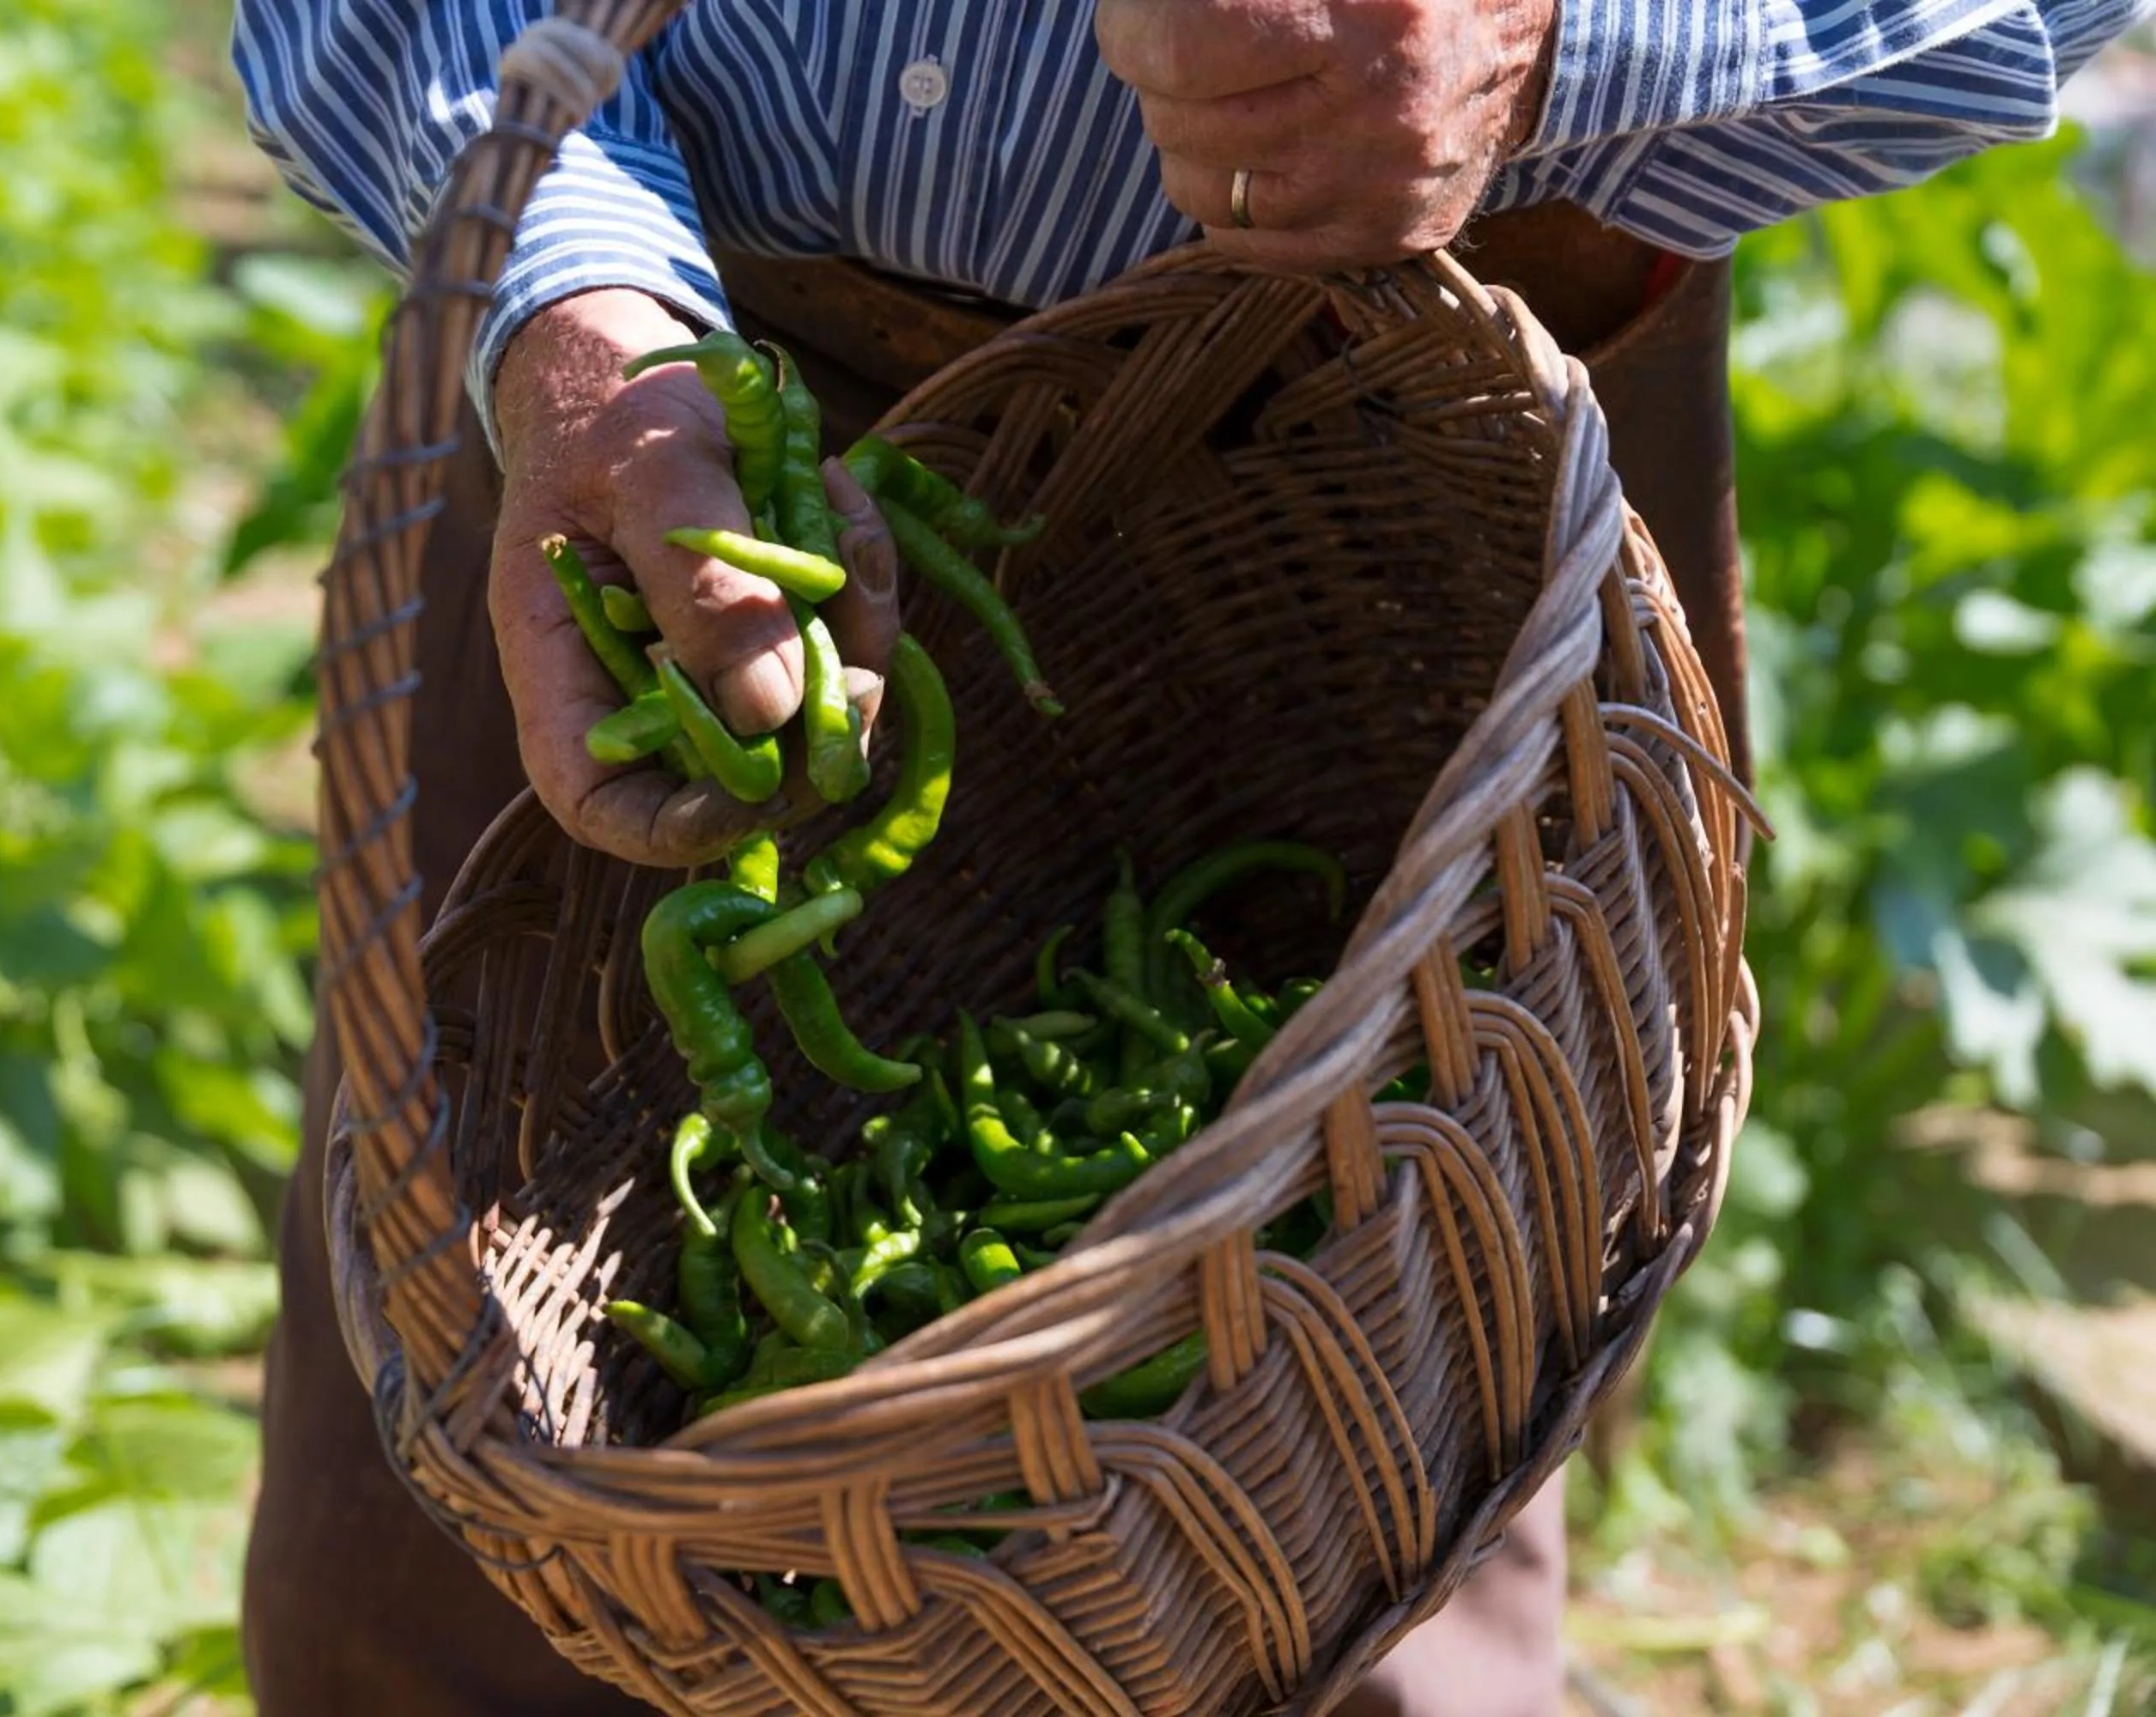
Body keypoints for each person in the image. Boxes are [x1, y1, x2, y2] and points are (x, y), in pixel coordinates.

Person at [228, 2, 2149, 1712]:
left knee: (1328, 1512)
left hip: (1427, 413)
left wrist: (1564, 37)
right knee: (477, 1551)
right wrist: (561, 275)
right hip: (675, 409)